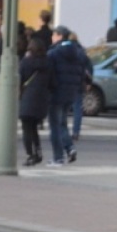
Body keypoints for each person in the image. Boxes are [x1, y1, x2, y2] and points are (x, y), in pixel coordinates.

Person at [47, 25, 89, 165]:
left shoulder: (53, 53)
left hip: (56, 92)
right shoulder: (78, 53)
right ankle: (69, 148)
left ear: (59, 36)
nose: (52, 38)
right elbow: (83, 72)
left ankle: (58, 157)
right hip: (71, 92)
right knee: (62, 123)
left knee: (55, 126)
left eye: (54, 35)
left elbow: (50, 73)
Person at [19, 38, 55, 166]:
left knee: (26, 128)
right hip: (41, 100)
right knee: (34, 128)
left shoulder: (25, 62)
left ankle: (30, 154)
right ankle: (38, 152)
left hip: (27, 99)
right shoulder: (48, 64)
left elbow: (19, 79)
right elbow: (52, 83)